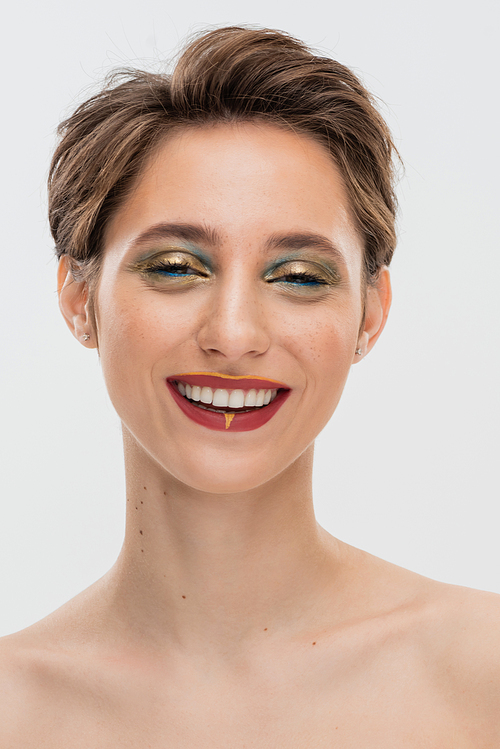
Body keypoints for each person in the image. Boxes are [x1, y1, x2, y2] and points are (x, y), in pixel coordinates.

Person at [1, 25, 499, 746]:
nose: (234, 335)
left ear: (371, 313)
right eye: (176, 266)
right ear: (80, 296)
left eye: (298, 276)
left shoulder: (483, 675)